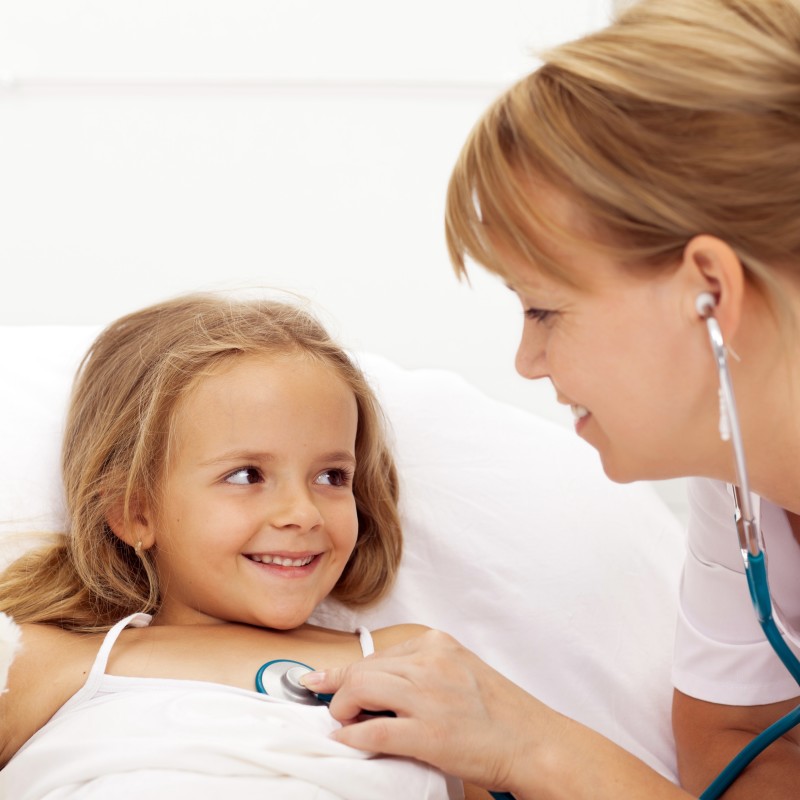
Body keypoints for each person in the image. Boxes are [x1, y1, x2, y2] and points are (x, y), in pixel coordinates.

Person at [301, 0, 800, 797]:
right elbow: (741, 742)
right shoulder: (738, 462)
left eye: (544, 309)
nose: (527, 361)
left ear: (709, 293)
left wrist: (534, 747)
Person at [0, 293, 465, 799]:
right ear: (135, 511)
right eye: (247, 475)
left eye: (332, 476)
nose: (303, 513)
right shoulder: (46, 662)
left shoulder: (410, 659)